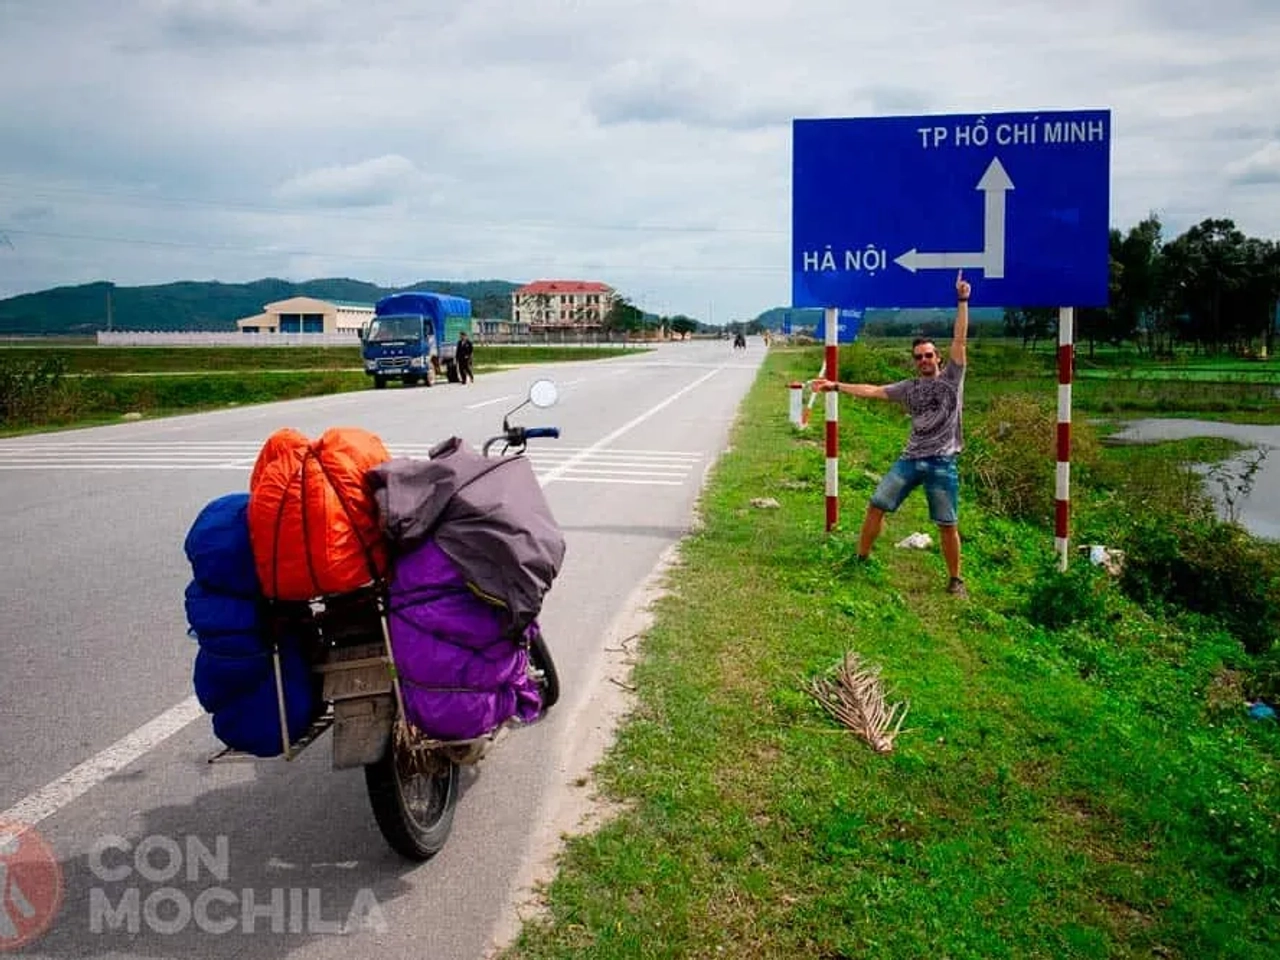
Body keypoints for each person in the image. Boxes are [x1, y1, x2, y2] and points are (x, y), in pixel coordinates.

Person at [812, 270, 971, 597]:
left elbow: (959, 339)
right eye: (919, 357)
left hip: (943, 462)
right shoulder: (908, 387)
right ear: (914, 362)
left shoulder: (952, 378)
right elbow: (872, 390)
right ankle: (861, 558)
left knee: (947, 524)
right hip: (910, 459)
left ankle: (956, 580)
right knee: (876, 504)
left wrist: (963, 301)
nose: (925, 360)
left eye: (929, 355)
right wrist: (836, 386)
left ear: (938, 357)